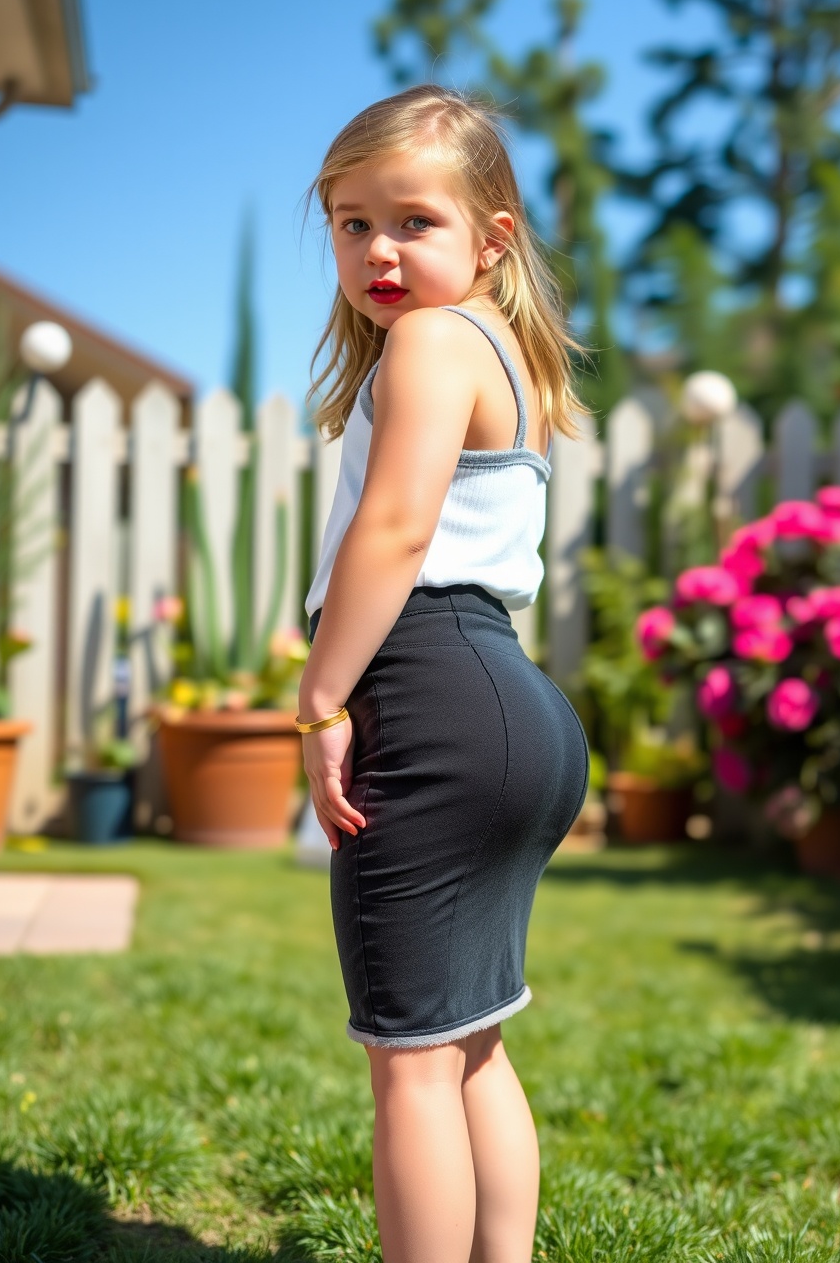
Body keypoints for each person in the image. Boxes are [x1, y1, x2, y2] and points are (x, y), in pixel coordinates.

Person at [297, 84, 591, 1263]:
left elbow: (395, 529)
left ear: (491, 237)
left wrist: (321, 699)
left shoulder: (429, 338)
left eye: (413, 220)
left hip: (431, 700)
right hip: (514, 709)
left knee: (409, 1060)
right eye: (350, 219)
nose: (377, 248)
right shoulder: (502, 351)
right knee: (469, 1038)